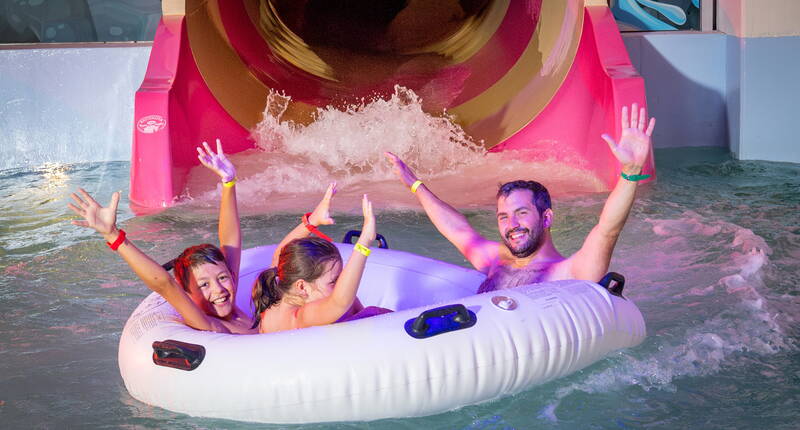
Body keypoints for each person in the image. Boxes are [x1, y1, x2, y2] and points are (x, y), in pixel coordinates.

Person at [385, 103, 656, 292]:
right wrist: (415, 184)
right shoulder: (495, 262)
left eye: (521, 212)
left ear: (547, 216)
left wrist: (630, 173)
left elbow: (607, 230)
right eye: (503, 216)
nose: (511, 223)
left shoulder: (570, 272)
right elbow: (459, 230)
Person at [67, 139, 256, 334]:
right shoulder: (212, 325)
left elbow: (230, 240)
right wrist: (112, 234)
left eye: (223, 277)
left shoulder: (232, 308)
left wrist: (229, 182)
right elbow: (165, 284)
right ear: (188, 293)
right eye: (204, 284)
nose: (219, 290)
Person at [252, 193, 382, 333]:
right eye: (333, 281)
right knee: (357, 306)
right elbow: (339, 302)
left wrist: (312, 221)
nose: (341, 283)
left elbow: (278, 256)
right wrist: (364, 242)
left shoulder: (275, 296)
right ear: (302, 287)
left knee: (353, 303)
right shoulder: (300, 317)